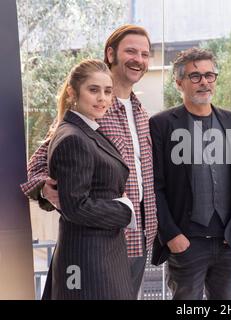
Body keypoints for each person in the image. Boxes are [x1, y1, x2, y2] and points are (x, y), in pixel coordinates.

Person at [20, 25, 157, 299]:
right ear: (111, 54)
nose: (138, 59)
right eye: (131, 51)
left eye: (145, 53)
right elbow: (37, 165)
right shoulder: (91, 112)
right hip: (98, 242)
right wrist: (45, 190)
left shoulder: (141, 112)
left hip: (140, 237)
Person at [149, 47, 231, 300]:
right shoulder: (161, 124)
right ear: (179, 83)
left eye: (210, 75)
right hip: (186, 243)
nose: (204, 82)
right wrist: (171, 235)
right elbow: (154, 186)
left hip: (228, 243)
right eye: (195, 76)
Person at [43, 59, 134, 299]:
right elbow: (76, 208)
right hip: (89, 260)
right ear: (73, 92)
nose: (102, 98)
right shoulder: (73, 137)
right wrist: (125, 210)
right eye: (93, 90)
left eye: (107, 91)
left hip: (101, 254)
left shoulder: (87, 130)